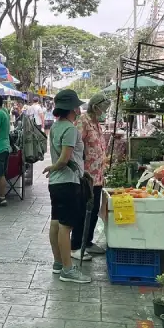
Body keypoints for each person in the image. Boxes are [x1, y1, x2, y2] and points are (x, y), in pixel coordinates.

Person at [42, 89, 90, 284]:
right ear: (72, 108)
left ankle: (58, 263)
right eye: (76, 106)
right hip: (67, 182)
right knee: (65, 226)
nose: (78, 109)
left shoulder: (55, 126)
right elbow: (64, 159)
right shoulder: (70, 129)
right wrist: (53, 167)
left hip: (56, 184)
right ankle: (68, 270)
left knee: (56, 222)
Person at [71, 92, 108, 260]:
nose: (104, 111)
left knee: (93, 210)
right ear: (95, 106)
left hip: (98, 176)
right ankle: (75, 245)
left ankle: (88, 241)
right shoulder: (83, 121)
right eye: (102, 108)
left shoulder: (96, 123)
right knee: (82, 211)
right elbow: (76, 145)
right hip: (86, 175)